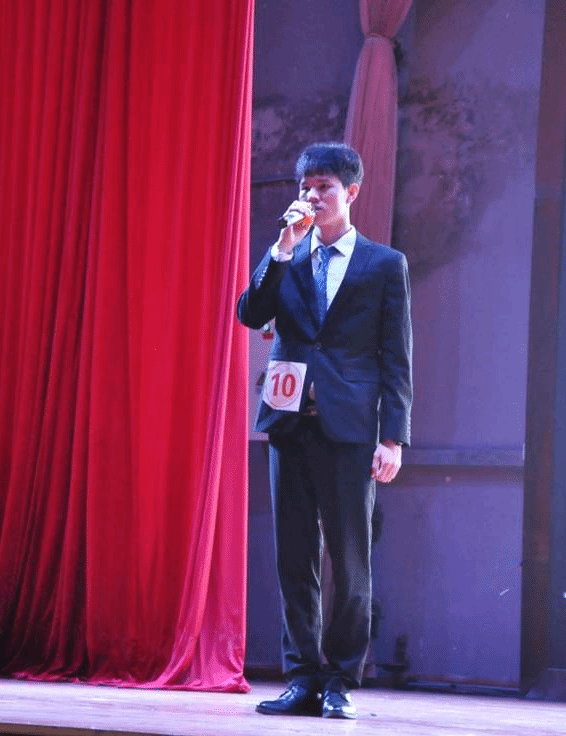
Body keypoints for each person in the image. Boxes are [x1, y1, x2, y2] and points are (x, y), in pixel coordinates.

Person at [237, 142, 412, 719]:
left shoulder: (383, 264)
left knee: (350, 559)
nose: (312, 197)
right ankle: (301, 677)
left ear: (351, 192)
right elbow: (250, 313)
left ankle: (340, 680)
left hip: (351, 429)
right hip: (290, 424)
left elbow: (396, 357)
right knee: (294, 559)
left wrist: (393, 437)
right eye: (305, 187)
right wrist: (281, 249)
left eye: (324, 188)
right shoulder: (286, 255)